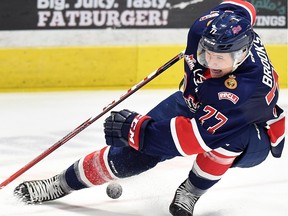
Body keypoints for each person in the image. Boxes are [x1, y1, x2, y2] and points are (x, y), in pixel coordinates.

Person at [14, 0, 285, 215]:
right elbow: (242, 6)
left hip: (252, 130)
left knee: (228, 140)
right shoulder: (205, 28)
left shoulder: (243, 92)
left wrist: (136, 129)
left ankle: (190, 191)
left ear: (241, 54)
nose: (211, 62)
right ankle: (60, 183)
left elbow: (191, 140)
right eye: (207, 53)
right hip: (197, 103)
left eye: (220, 58)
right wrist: (137, 141)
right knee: (130, 157)